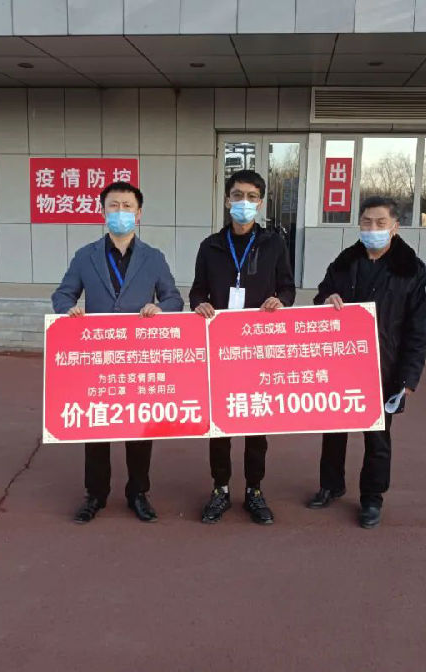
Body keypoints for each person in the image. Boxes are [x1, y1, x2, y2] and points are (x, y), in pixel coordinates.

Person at [51, 181, 184, 524]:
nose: (120, 212)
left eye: (127, 206)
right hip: (98, 355)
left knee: (139, 427)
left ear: (138, 214)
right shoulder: (86, 256)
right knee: (97, 427)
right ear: (103, 211)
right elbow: (63, 294)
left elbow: (174, 298)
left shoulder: (153, 258)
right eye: (114, 206)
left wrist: (160, 309)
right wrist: (69, 310)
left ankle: (138, 492)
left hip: (139, 356)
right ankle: (95, 494)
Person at [309, 196, 426, 528]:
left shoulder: (412, 270)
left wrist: (409, 379)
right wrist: (327, 299)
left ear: (395, 227)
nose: (372, 228)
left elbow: (420, 330)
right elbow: (321, 296)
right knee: (333, 430)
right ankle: (331, 485)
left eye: (380, 223)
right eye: (366, 222)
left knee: (377, 436)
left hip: (384, 367)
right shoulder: (345, 262)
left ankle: (372, 498)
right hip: (341, 363)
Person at [189, 169, 296, 525]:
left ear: (260, 203)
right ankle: (220, 488)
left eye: (251, 197)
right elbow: (197, 290)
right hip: (220, 347)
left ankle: (254, 490)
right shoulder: (210, 246)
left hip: (258, 347)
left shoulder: (273, 244)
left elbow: (288, 288)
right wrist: (200, 304)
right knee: (220, 423)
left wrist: (281, 301)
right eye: (237, 196)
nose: (244, 203)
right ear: (227, 200)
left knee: (255, 423)